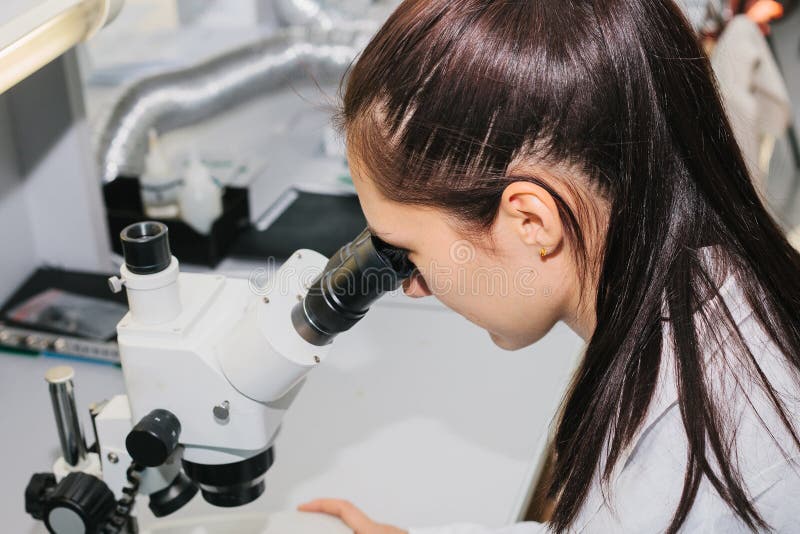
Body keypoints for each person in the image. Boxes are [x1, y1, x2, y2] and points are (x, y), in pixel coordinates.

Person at [298, 0, 800, 532]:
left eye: (407, 253)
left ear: (532, 223)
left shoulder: (687, 482)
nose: (414, 288)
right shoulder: (708, 282)